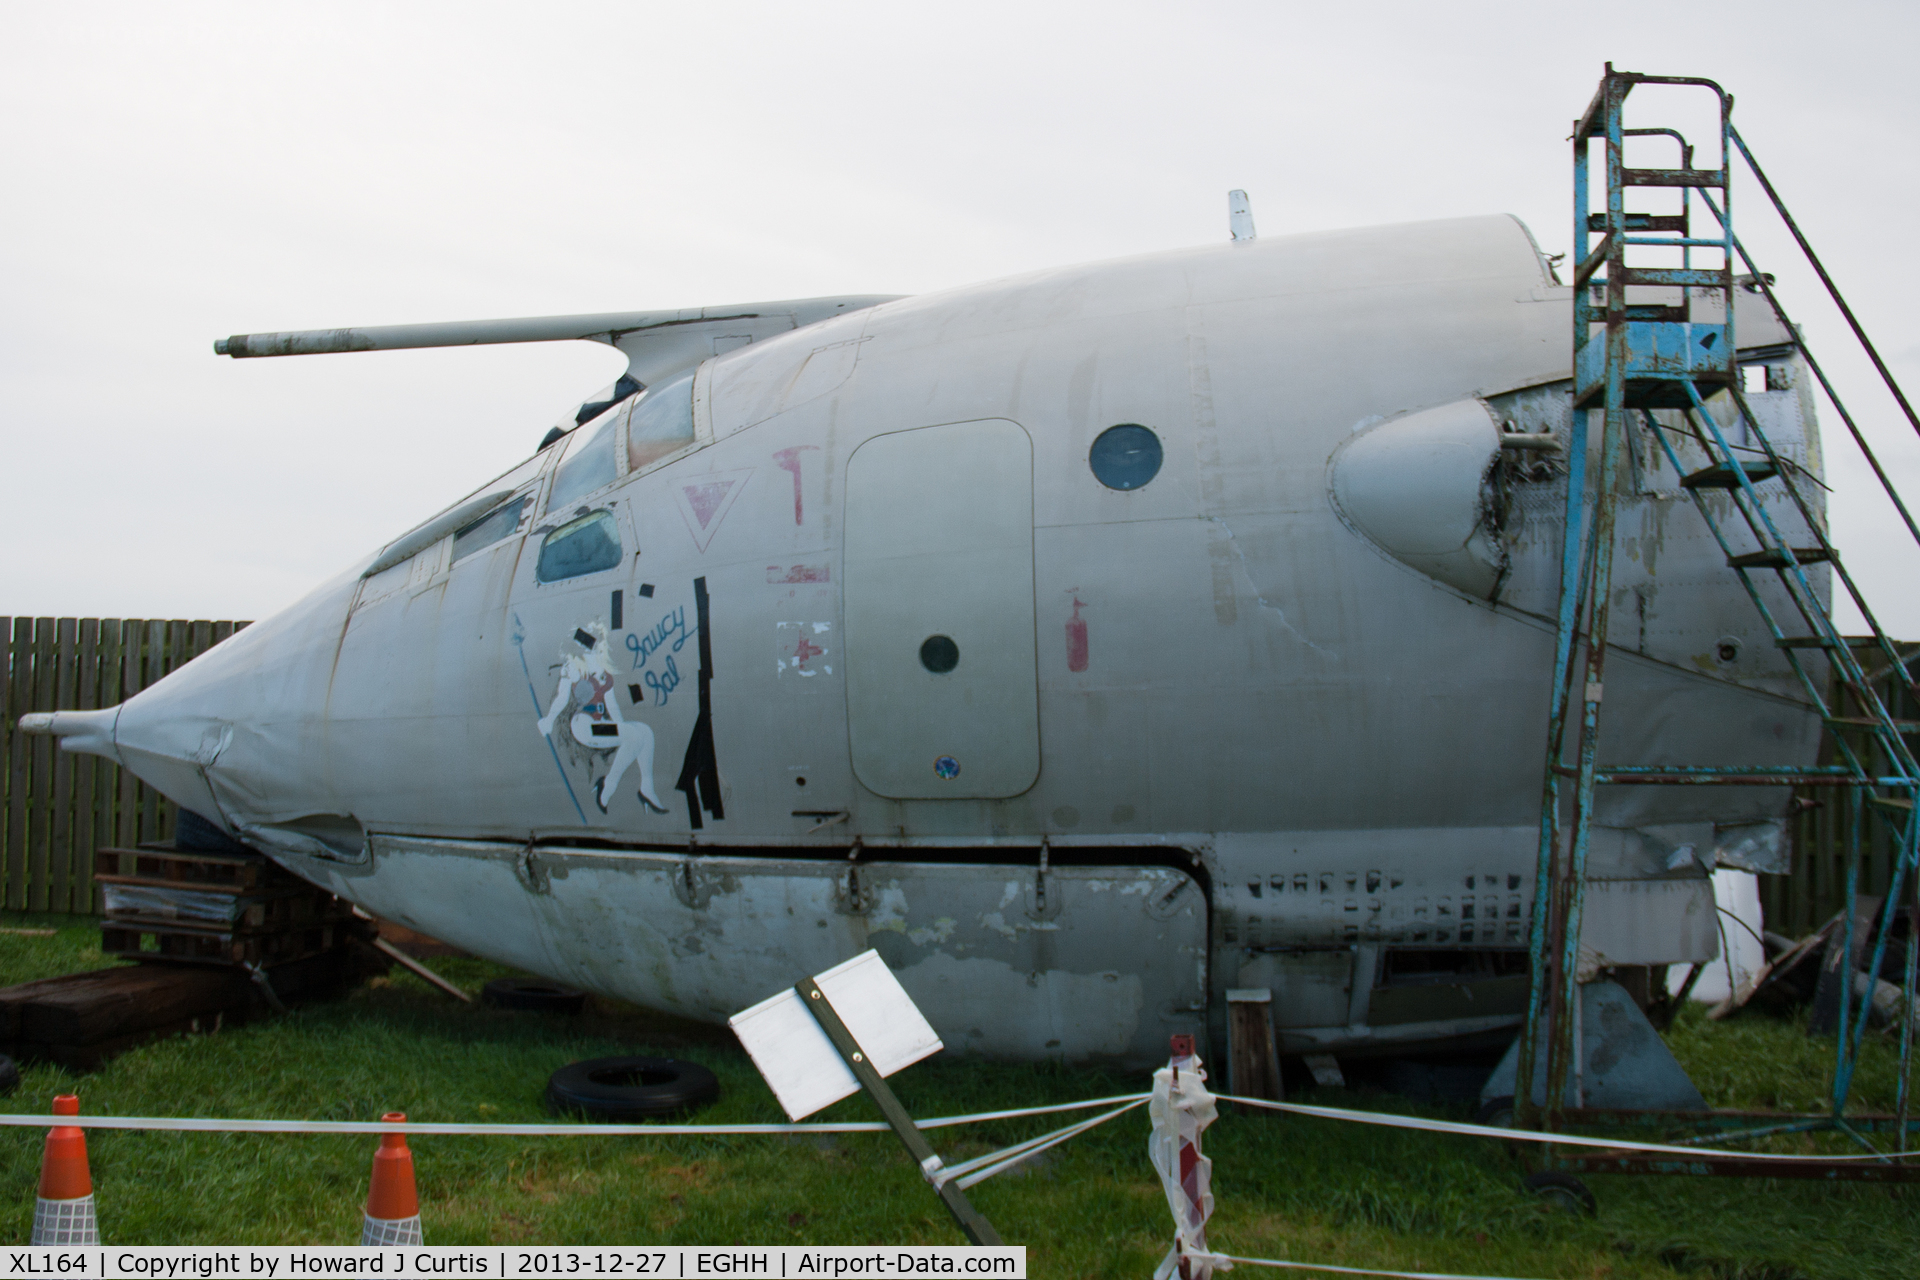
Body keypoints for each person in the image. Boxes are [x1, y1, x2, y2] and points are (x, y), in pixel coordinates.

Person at [536, 621, 669, 815]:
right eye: (595, 644)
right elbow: (562, 698)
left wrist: (623, 731)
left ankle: (646, 788)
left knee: (644, 732)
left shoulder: (605, 676)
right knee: (634, 735)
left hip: (600, 725)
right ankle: (608, 786)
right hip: (583, 726)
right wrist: (548, 720)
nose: (599, 648)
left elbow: (613, 707)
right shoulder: (574, 668)